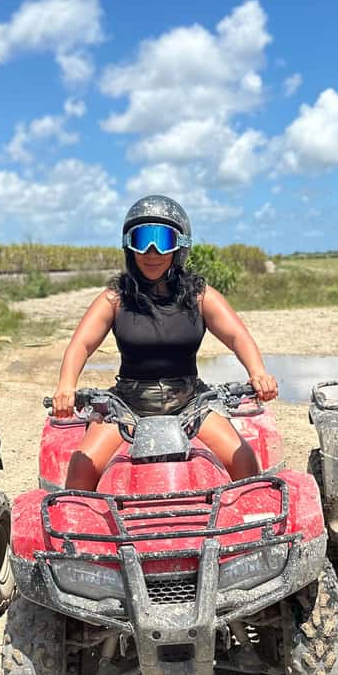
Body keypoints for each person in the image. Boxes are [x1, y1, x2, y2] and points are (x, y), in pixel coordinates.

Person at [52, 194, 278, 490]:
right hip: (128, 405)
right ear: (129, 246)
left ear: (180, 246)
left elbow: (237, 336)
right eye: (142, 240)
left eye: (162, 240)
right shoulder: (115, 299)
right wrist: (66, 386)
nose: (152, 252)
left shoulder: (200, 296)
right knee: (82, 466)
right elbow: (81, 344)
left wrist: (258, 372)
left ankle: (248, 518)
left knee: (244, 460)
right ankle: (76, 521)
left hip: (191, 403)